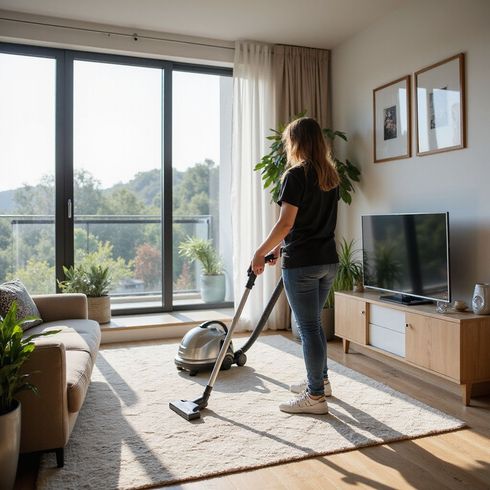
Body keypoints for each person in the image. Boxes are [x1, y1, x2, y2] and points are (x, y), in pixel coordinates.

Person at [251, 116, 339, 415]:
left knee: (309, 327)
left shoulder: (296, 175)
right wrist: (277, 249)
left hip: (302, 264)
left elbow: (286, 223)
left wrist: (260, 252)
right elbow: (303, 225)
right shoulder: (331, 176)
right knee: (313, 325)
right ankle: (322, 381)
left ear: (296, 142)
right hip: (328, 261)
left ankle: (315, 397)